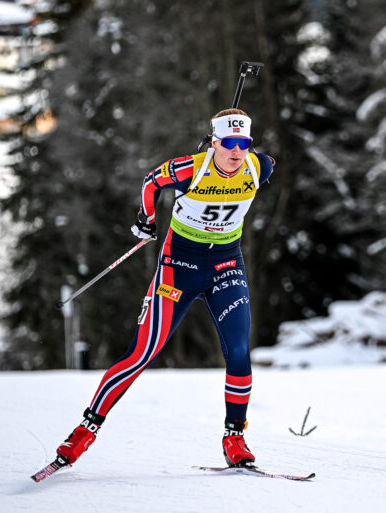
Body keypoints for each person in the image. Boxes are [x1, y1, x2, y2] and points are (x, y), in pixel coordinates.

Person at [54, 108, 274, 469]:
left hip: (226, 265)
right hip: (180, 266)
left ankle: (234, 437)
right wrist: (147, 220)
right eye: (230, 143)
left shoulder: (257, 166)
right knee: (142, 352)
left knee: (238, 349)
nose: (238, 152)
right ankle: (85, 430)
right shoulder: (192, 168)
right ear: (214, 142)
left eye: (244, 143)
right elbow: (151, 181)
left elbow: (270, 162)